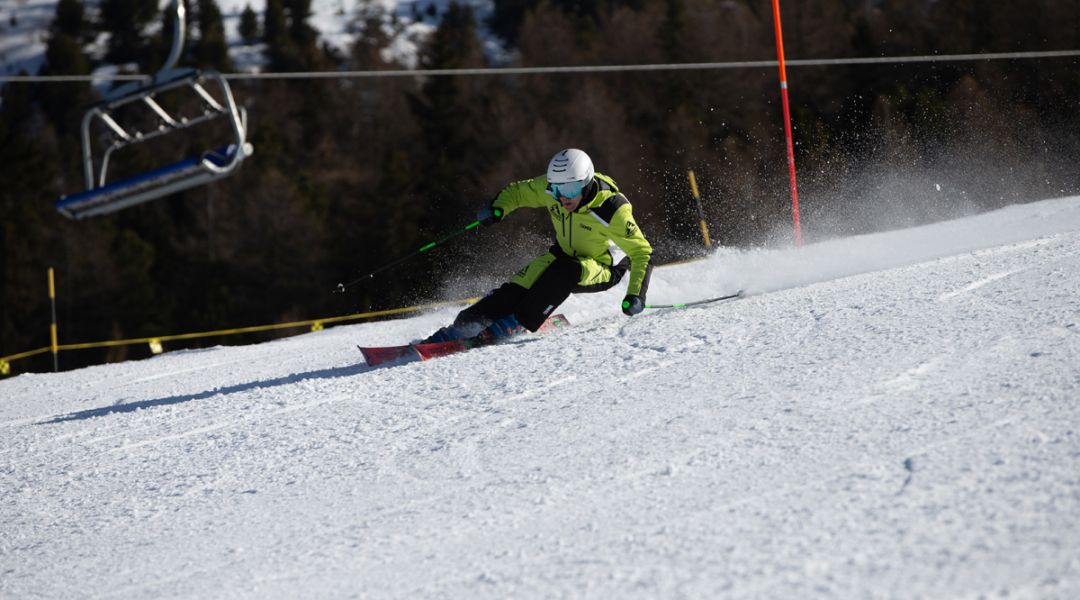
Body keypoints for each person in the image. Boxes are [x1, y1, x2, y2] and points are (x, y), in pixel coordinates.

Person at [423, 148, 654, 343]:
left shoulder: (612, 209)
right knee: (514, 291)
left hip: (603, 266)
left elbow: (642, 252)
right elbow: (518, 192)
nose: (563, 198)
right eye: (556, 190)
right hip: (562, 256)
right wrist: (498, 208)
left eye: (570, 190)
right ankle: (461, 327)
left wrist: (636, 295)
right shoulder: (555, 191)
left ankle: (516, 323)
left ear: (586, 183)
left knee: (566, 271)